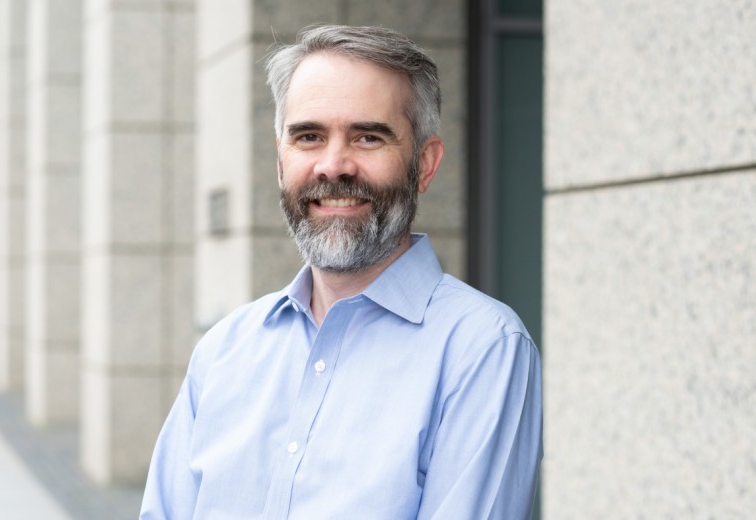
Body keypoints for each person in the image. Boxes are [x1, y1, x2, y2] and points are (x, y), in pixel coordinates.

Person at [140, 24, 542, 520]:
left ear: (424, 164)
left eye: (368, 137)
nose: (333, 166)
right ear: (281, 162)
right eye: (308, 136)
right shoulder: (223, 352)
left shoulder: (484, 351)